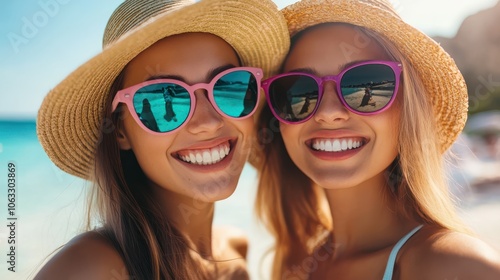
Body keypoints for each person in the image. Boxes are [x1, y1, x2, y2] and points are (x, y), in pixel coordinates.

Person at [35, 0, 288, 279]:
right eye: (162, 98)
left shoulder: (240, 251)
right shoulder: (88, 269)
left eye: (228, 86)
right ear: (119, 131)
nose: (208, 122)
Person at [253, 0, 500, 279]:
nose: (329, 112)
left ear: (408, 109)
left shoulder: (453, 266)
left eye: (365, 84)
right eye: (298, 93)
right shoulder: (297, 264)